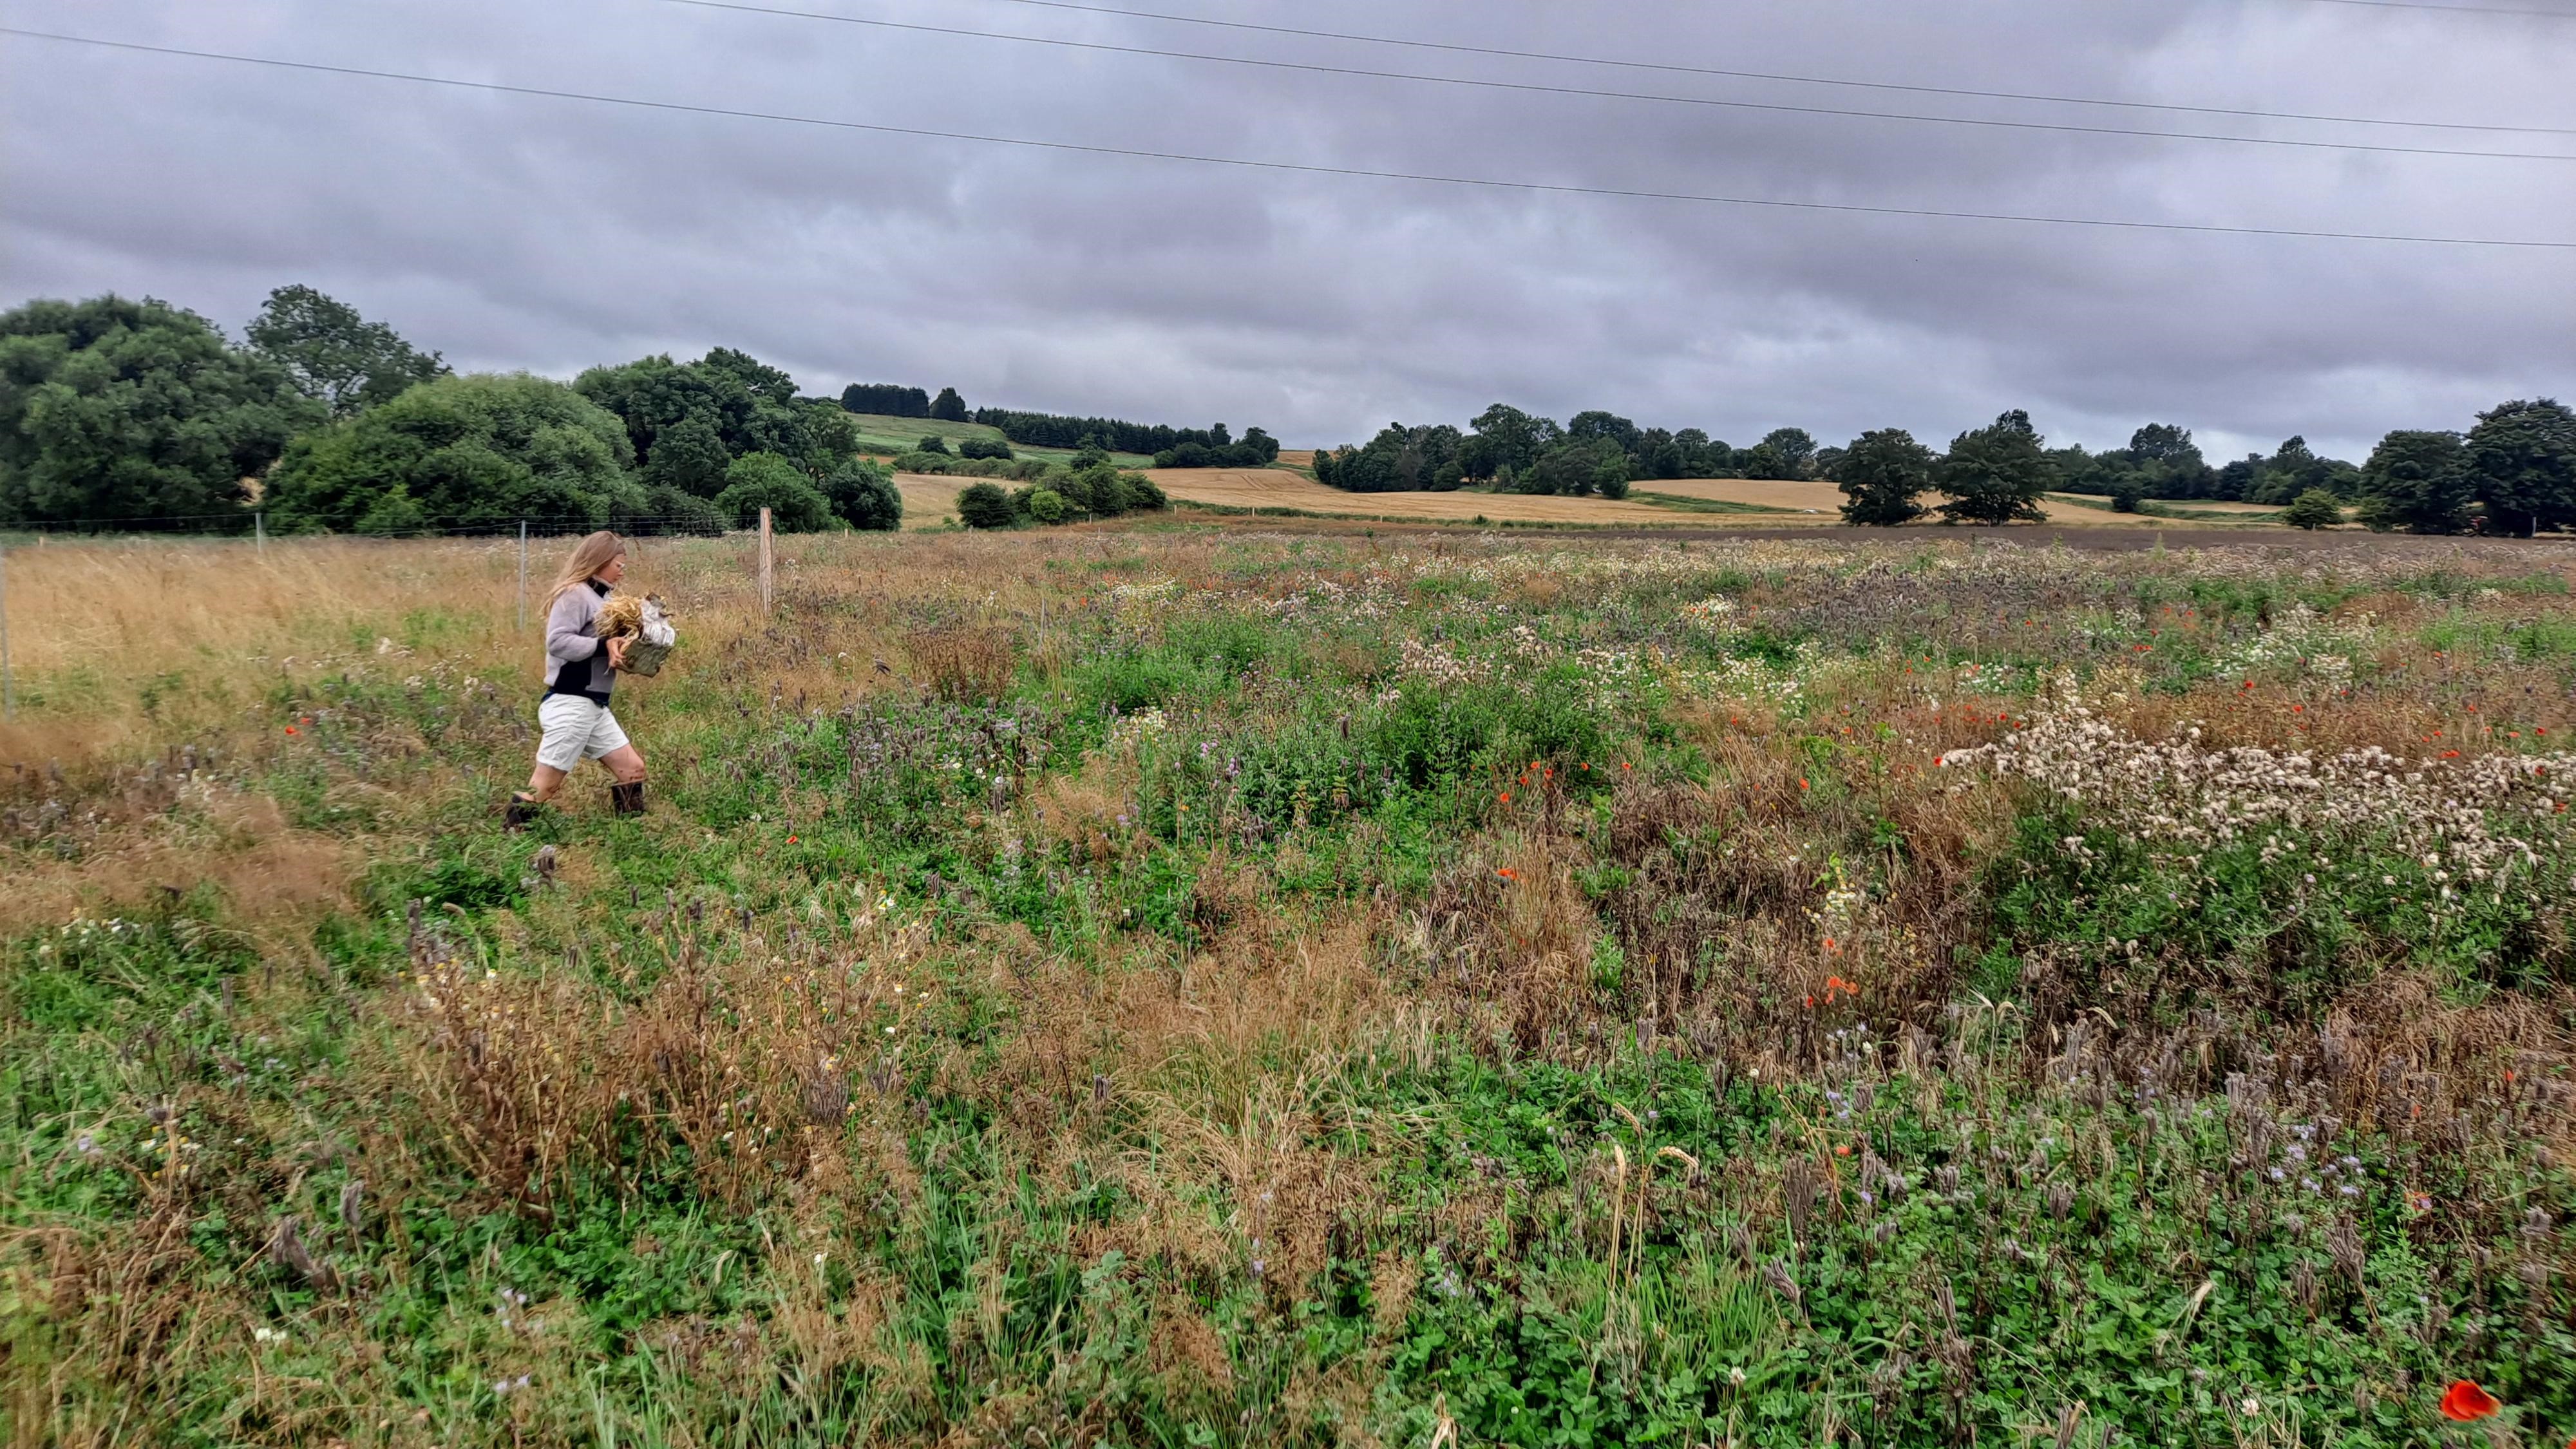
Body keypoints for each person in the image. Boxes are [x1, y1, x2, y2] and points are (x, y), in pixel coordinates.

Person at [506, 531, 648, 828]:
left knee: (633, 769)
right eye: (618, 565)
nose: (623, 571)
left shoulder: (601, 598)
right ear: (600, 561)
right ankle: (511, 840)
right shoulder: (574, 593)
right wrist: (602, 645)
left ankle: (632, 836)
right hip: (571, 701)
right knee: (543, 787)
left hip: (594, 705)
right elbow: (557, 642)